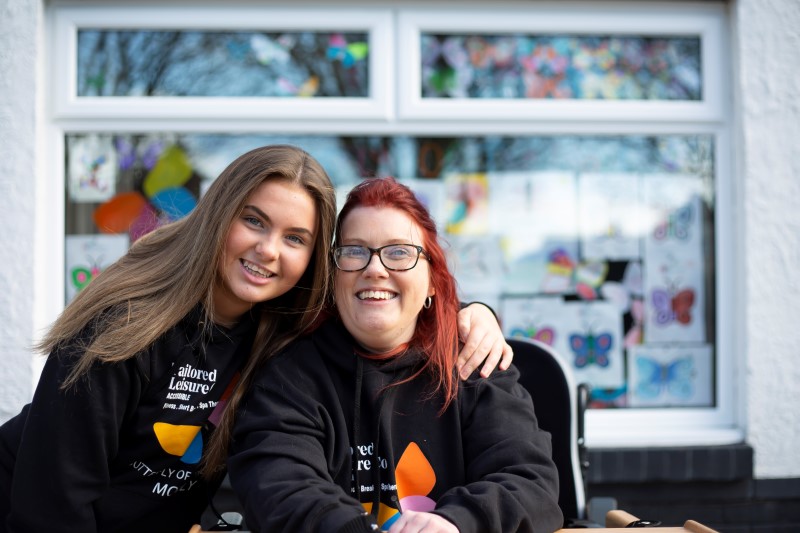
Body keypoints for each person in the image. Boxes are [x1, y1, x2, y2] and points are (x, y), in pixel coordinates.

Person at [0, 145, 510, 533]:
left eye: (295, 238)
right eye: (253, 221)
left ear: (313, 259)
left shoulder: (281, 328)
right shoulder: (125, 324)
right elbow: (53, 502)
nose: (268, 250)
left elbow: (384, 300)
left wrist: (469, 315)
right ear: (220, 215)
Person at [228, 177, 563, 533]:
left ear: (433, 278)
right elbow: (279, 486)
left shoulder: (474, 360)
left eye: (400, 252)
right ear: (332, 275)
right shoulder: (290, 374)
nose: (375, 269)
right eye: (355, 251)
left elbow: (529, 481)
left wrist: (456, 524)